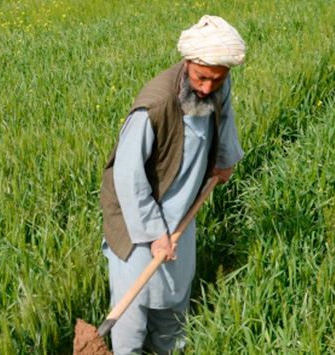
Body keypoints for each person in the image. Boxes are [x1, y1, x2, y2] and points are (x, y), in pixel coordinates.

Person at [98, 15, 247, 354]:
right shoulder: (155, 105)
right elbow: (127, 175)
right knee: (132, 313)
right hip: (137, 220)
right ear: (187, 62)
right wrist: (153, 232)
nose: (207, 87)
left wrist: (225, 159)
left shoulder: (216, 83)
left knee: (175, 296)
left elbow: (224, 115)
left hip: (181, 210)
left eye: (216, 79)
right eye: (201, 77)